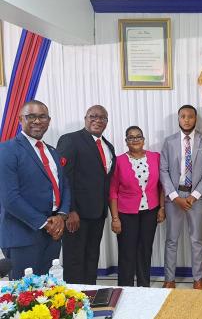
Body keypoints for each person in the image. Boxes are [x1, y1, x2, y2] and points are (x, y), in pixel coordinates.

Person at [0, 100, 70, 279]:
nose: (37, 121)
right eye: (31, 116)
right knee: (24, 297)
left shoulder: (52, 151)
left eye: (42, 116)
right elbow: (10, 199)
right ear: (20, 120)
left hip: (53, 234)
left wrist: (61, 216)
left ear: (49, 120)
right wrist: (46, 223)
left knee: (49, 293)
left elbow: (64, 186)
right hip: (23, 235)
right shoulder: (7, 150)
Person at [57, 105, 115, 284]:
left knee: (92, 256)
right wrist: (69, 211)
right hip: (76, 214)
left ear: (107, 122)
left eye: (102, 118)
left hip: (97, 213)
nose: (98, 120)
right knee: (75, 259)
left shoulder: (108, 146)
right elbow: (64, 178)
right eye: (93, 116)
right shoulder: (71, 140)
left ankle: (90, 293)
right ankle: (73, 302)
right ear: (85, 118)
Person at [109, 126, 165, 287]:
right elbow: (112, 191)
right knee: (127, 251)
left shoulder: (156, 157)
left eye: (138, 136)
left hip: (150, 210)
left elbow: (162, 185)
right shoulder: (118, 160)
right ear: (126, 141)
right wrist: (115, 218)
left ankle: (143, 285)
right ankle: (125, 287)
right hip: (126, 213)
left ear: (143, 139)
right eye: (131, 137)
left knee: (145, 249)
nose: (135, 140)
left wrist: (162, 208)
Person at [160, 105, 202, 290]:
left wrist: (195, 195)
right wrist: (174, 197)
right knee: (171, 239)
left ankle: (198, 279)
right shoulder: (169, 142)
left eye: (190, 116)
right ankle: (169, 279)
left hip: (195, 197)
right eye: (183, 116)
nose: (186, 120)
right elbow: (163, 170)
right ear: (178, 119)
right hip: (174, 197)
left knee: (196, 239)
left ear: (196, 119)